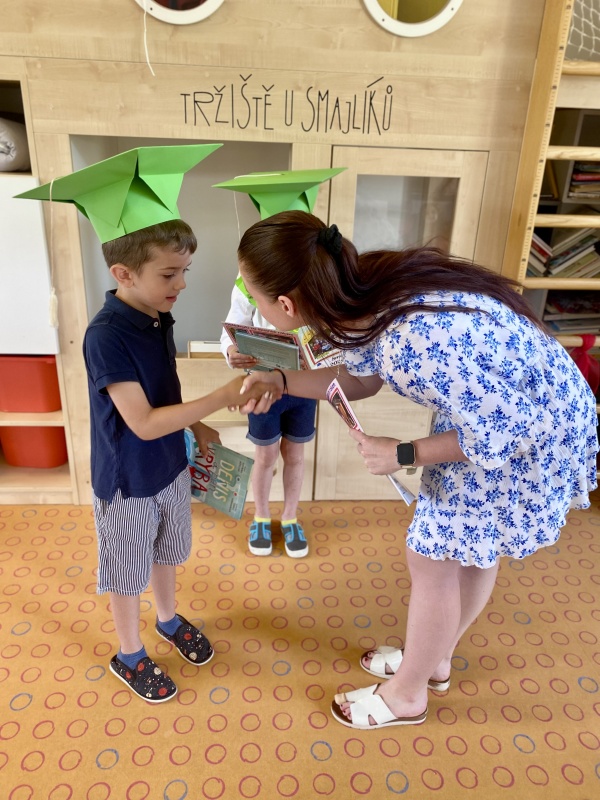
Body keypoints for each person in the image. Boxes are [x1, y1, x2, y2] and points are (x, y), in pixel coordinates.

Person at [238, 210, 599, 729]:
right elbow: (360, 379)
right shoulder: (363, 291)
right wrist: (280, 379)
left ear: (286, 305)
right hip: (512, 409)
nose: (254, 307)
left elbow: (502, 431)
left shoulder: (410, 343)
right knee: (466, 550)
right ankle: (434, 659)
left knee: (432, 557)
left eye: (254, 296)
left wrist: (403, 453)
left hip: (528, 430)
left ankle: (407, 694)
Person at [17, 145, 272, 703]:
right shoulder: (105, 335)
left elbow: (164, 391)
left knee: (166, 551)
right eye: (169, 274)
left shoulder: (157, 315)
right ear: (123, 273)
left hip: (169, 465)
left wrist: (198, 430)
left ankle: (168, 618)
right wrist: (218, 399)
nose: (182, 284)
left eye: (185, 271)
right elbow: (143, 422)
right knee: (127, 570)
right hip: (128, 479)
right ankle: (129, 653)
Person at [220, 280, 315, 557]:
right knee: (265, 456)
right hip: (262, 383)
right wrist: (232, 352)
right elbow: (232, 330)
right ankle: (261, 516)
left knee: (295, 455)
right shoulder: (246, 283)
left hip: (305, 384)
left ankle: (289, 517)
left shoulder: (314, 277)